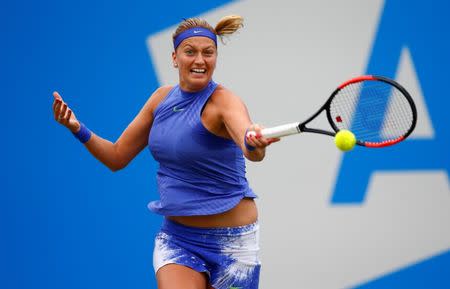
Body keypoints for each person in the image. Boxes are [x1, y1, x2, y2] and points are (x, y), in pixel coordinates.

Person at [52, 15, 279, 289]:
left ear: (216, 58)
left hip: (234, 244)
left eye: (208, 53)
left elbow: (250, 147)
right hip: (179, 239)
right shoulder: (160, 99)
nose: (199, 60)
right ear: (175, 58)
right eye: (190, 52)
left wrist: (253, 143)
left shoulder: (224, 102)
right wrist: (78, 128)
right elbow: (116, 157)